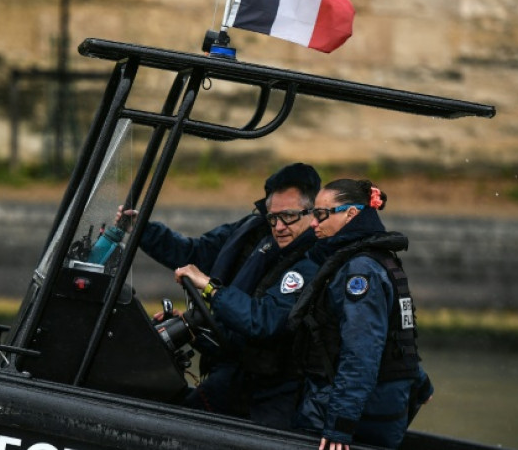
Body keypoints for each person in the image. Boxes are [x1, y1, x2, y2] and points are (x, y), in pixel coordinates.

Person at [125, 162, 321, 428]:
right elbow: (195, 253)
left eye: (289, 216)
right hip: (234, 369)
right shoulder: (254, 232)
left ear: (313, 213)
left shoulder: (313, 261)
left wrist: (209, 288)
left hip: (273, 390)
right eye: (273, 217)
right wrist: (142, 229)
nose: (279, 226)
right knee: (157, 410)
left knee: (172, 425)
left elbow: (264, 321)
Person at [288, 179, 433, 450]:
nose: (313, 224)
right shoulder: (378, 259)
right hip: (381, 407)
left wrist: (340, 425)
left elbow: (362, 351)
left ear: (351, 215)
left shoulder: (360, 271)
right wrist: (421, 383)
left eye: (321, 215)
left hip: (358, 415)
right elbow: (395, 339)